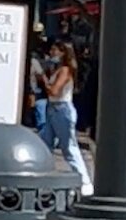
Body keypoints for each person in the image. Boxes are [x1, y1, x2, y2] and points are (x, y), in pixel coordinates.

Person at [38, 40, 94, 197]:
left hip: (62, 109)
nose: (52, 52)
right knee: (45, 143)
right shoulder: (57, 70)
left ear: (63, 52)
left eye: (55, 50)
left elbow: (54, 91)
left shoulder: (65, 70)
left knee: (68, 146)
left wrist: (43, 79)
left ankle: (85, 181)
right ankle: (43, 178)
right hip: (53, 109)